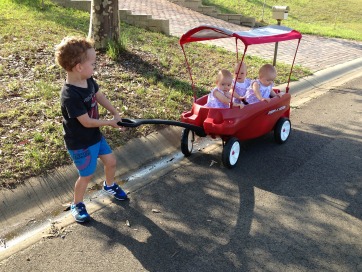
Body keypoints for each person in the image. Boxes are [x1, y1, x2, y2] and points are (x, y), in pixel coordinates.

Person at [55, 36, 128, 223]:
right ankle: (77, 204)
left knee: (111, 162)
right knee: (86, 175)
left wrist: (114, 112)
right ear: (79, 67)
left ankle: (109, 185)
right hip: (80, 142)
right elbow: (86, 122)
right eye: (93, 64)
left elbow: (98, 95)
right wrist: (109, 123)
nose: (95, 67)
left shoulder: (88, 80)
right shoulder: (70, 95)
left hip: (94, 135)